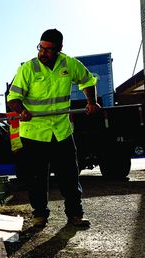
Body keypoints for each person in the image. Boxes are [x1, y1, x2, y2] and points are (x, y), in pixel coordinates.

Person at [6, 29, 100, 228]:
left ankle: (75, 215)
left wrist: (91, 101)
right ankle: (40, 215)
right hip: (34, 134)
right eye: (41, 47)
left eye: (49, 49)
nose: (44, 52)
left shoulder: (69, 64)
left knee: (69, 176)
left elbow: (87, 80)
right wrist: (22, 110)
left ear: (59, 49)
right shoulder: (28, 68)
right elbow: (13, 98)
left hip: (61, 132)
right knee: (36, 179)